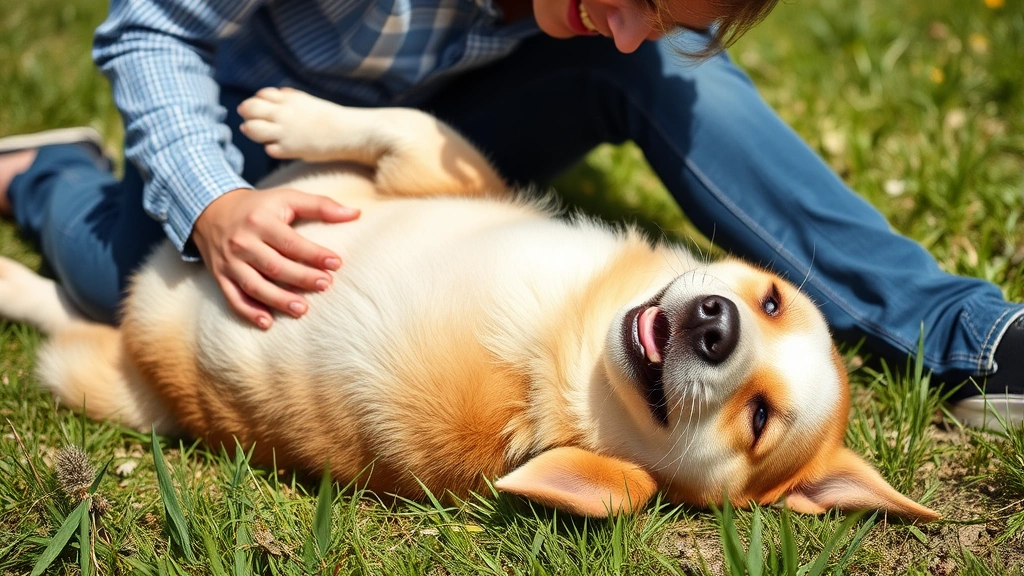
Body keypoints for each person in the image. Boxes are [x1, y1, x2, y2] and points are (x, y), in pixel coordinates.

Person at [0, 0, 1020, 427]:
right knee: (122, 278)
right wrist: (214, 201)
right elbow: (148, 26)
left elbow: (634, 42)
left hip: (444, 132)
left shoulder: (615, 30)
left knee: (664, 78)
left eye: (663, 15)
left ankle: (963, 333)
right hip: (260, 139)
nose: (627, 29)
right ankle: (49, 173)